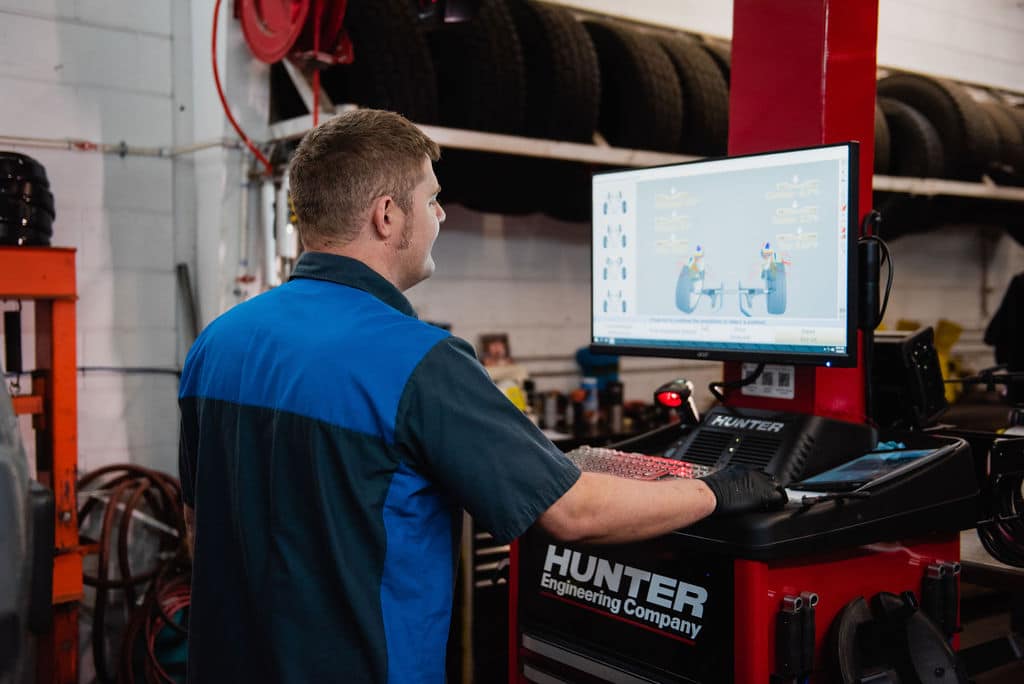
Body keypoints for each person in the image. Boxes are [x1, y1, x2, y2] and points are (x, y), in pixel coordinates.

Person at [177, 109, 785, 683]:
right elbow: (574, 513)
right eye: (433, 199)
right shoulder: (418, 361)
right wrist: (712, 491)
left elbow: (199, 527)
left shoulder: (217, 343)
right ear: (387, 216)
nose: (440, 216)